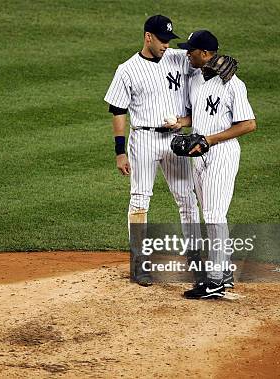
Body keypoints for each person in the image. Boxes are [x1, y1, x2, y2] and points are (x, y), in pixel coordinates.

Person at [104, 15, 202, 286]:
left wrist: (217, 61)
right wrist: (119, 151)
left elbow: (200, 56)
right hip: (144, 140)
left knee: (187, 199)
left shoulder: (178, 58)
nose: (166, 45)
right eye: (162, 40)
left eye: (169, 40)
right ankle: (139, 265)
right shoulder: (127, 69)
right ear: (148, 37)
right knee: (139, 200)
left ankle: (195, 259)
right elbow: (118, 110)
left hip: (175, 140)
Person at [175, 30, 257, 299]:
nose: (188, 54)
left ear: (206, 53)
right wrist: (180, 123)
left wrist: (210, 140)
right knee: (209, 212)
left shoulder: (233, 84)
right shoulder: (197, 79)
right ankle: (224, 274)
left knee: (213, 215)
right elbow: (198, 115)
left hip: (222, 154)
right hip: (200, 155)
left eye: (192, 50)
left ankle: (215, 281)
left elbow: (248, 124)